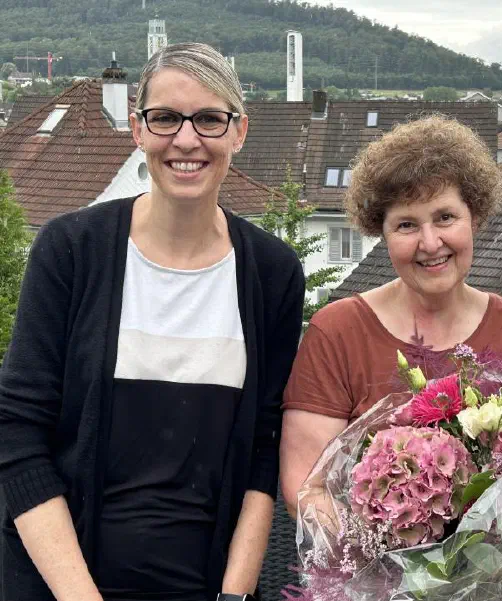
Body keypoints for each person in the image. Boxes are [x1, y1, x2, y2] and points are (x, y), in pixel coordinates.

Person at [0, 43, 305, 601]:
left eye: (210, 119)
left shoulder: (272, 273)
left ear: (239, 131)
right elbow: (17, 432)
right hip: (61, 585)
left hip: (207, 586)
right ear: (138, 128)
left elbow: (266, 447)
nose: (186, 140)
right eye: (165, 117)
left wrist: (234, 595)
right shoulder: (70, 250)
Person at [280, 115, 502, 517]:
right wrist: (380, 548)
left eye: (445, 217)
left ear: (474, 217)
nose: (430, 243)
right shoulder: (337, 332)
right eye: (406, 224)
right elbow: (308, 489)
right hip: (370, 571)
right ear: (381, 232)